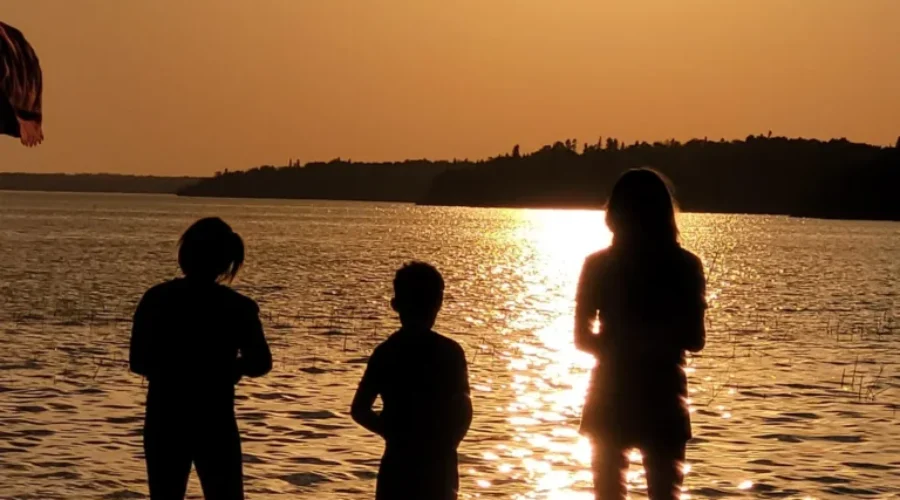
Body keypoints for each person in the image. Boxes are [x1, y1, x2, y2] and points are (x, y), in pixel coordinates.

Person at [574, 169, 707, 500]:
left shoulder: (598, 264)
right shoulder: (686, 265)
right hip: (663, 395)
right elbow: (695, 339)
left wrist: (619, 349)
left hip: (611, 391)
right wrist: (654, 344)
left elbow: (581, 338)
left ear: (615, 213)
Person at [130, 217, 272, 500]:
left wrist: (175, 370)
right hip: (214, 420)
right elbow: (260, 362)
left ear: (185, 254)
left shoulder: (157, 299)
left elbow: (138, 361)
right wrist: (230, 368)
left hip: (166, 419)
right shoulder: (237, 307)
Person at [351, 262, 473, 500]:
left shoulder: (386, 352)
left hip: (399, 464)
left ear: (395, 305)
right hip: (437, 466)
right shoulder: (450, 352)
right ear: (438, 304)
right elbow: (464, 410)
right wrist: (445, 444)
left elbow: (360, 410)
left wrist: (394, 434)